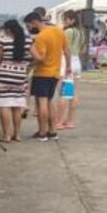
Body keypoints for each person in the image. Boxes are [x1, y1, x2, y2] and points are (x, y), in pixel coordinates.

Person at [24, 12, 71, 141]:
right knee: (50, 102)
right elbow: (67, 50)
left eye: (28, 25)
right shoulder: (59, 31)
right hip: (55, 73)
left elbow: (41, 58)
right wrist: (68, 66)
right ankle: (52, 131)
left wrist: (30, 63)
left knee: (42, 103)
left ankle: (42, 131)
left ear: (34, 22)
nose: (29, 28)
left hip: (42, 73)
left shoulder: (41, 37)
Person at [0, 20, 32, 142]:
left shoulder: (4, 42)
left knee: (4, 105)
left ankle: (7, 136)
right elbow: (36, 56)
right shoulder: (28, 42)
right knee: (17, 106)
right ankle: (17, 134)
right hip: (20, 76)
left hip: (4, 75)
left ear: (8, 30)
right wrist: (26, 64)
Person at [55, 10, 85, 130]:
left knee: (63, 93)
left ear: (72, 20)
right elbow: (83, 48)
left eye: (66, 19)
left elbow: (62, 46)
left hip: (66, 62)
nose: (64, 22)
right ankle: (70, 120)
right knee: (73, 93)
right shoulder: (81, 32)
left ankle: (59, 121)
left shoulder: (68, 31)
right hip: (76, 61)